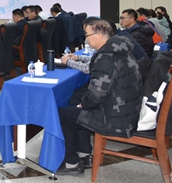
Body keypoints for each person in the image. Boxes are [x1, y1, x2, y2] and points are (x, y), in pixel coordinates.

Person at [56, 18, 142, 175]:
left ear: (100, 36)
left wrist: (84, 105)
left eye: (87, 35)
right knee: (76, 99)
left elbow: (96, 96)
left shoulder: (106, 58)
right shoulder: (118, 49)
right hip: (126, 108)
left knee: (63, 114)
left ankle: (71, 163)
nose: (86, 40)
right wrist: (82, 103)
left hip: (116, 118)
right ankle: (84, 153)